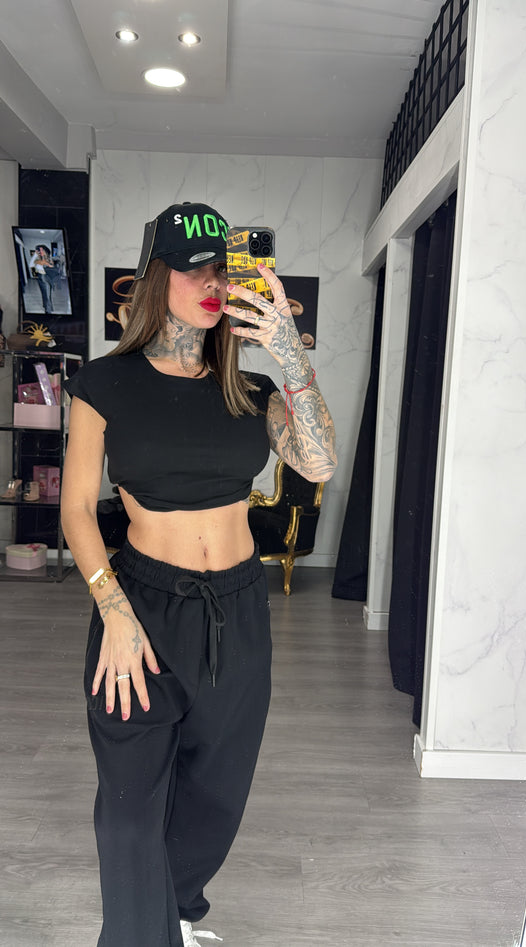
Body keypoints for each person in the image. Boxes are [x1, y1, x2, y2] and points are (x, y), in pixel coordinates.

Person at [60, 201, 337, 947]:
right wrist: (113, 609)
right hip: (141, 606)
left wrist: (289, 354)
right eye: (194, 269)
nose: (213, 283)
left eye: (222, 269)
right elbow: (77, 509)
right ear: (157, 276)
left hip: (237, 608)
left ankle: (177, 913)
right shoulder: (104, 384)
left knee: (217, 789)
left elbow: (318, 463)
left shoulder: (250, 389)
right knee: (128, 809)